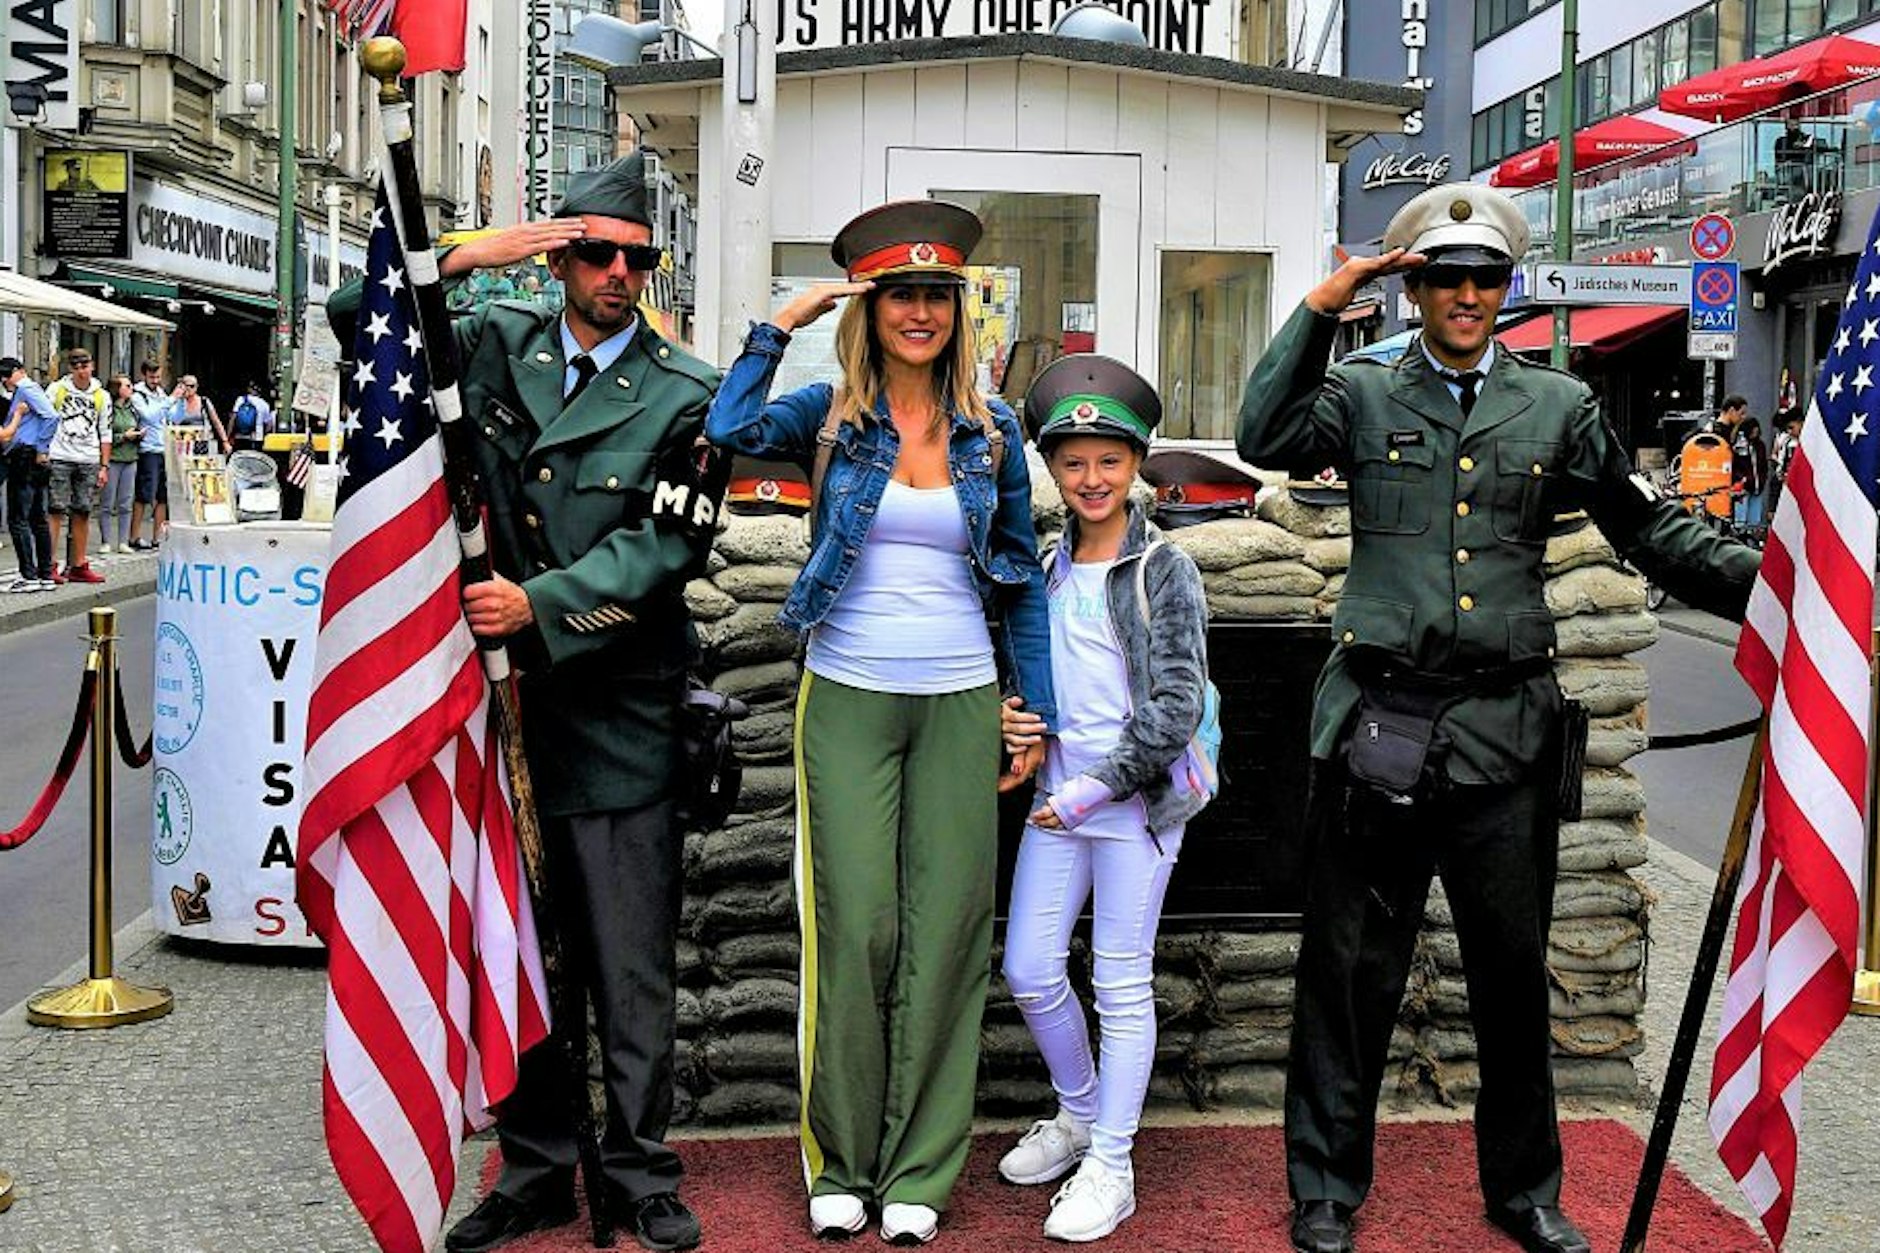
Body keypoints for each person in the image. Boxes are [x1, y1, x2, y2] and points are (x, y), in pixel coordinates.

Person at [1236, 182, 1762, 1253]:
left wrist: (1784, 589)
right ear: (1415, 288)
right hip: (1378, 724)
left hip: (1503, 730)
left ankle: (1523, 1189)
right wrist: (1324, 301)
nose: (1465, 294)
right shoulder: (1362, 391)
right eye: (1443, 277)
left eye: (1482, 277)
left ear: (1504, 288)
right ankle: (1326, 1186)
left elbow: (1648, 532)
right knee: (1348, 973)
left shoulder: (1555, 406)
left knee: (1510, 975)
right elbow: (1266, 433)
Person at [329, 151, 723, 1253]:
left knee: (625, 959)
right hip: (494, 718)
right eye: (592, 251)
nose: (614, 272)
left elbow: (670, 542)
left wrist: (538, 603)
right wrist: (462, 258)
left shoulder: (684, 390)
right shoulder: (491, 340)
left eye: (634, 258)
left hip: (613, 706)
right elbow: (355, 308)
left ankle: (639, 1168)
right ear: (558, 256)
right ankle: (539, 1162)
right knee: (518, 948)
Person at [704, 200, 1055, 1246]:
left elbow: (1020, 582)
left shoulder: (993, 430)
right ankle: (840, 1158)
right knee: (854, 925)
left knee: (946, 935)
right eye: (897, 294)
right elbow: (721, 430)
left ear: (958, 310)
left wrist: (1026, 712)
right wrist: (785, 319)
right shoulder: (826, 411)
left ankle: (918, 1164)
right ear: (868, 308)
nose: (917, 312)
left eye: (934, 296)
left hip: (958, 699)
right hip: (847, 694)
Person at [995, 355, 1210, 1243]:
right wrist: (1016, 720)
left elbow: (1174, 706)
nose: (1091, 479)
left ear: (1138, 463)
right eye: (1074, 462)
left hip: (1132, 806)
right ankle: (1080, 1109)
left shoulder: (1165, 568)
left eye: (1109, 461)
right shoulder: (1045, 566)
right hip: (1057, 799)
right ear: (1052, 468)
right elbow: (1038, 678)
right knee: (1029, 968)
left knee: (1120, 979)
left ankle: (1112, 1164)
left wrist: (1088, 789)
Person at [44, 348, 111, 585]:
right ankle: (48, 563)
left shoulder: (102, 395)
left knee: (82, 511)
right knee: (55, 510)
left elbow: (105, 432)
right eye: (77, 367)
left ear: (92, 365)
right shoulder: (57, 390)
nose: (82, 371)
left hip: (88, 458)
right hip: (61, 455)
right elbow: (46, 419)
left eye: (85, 366)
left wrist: (104, 465)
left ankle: (78, 564)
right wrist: (44, 450)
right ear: (71, 369)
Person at [0, 357, 58, 591]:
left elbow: (52, 416)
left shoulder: (26, 389)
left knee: (18, 518)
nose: (3, 380)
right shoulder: (26, 390)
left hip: (25, 456)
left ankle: (30, 576)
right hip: (30, 455)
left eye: (6, 374)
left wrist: (42, 447)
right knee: (37, 518)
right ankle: (45, 574)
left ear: (19, 371)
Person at [129, 360, 171, 549]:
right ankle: (134, 536)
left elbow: (168, 417)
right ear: (144, 375)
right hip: (148, 450)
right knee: (143, 495)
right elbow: (149, 416)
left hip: (164, 448)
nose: (156, 381)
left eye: (158, 377)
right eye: (152, 377)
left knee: (162, 496)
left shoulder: (161, 393)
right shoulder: (138, 395)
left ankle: (157, 537)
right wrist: (170, 401)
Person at [102, 373, 141, 554]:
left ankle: (123, 541)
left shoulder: (132, 409)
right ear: (117, 389)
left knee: (126, 502)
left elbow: (137, 426)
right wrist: (123, 436)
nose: (131, 388)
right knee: (107, 502)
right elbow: (104, 435)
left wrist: (139, 435)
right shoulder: (109, 409)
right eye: (127, 385)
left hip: (130, 458)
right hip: (113, 458)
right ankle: (106, 541)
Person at [1731, 415, 1769, 531]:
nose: (1755, 434)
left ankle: (1751, 538)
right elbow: (1735, 465)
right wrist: (1742, 479)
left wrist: (1762, 479)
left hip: (1757, 486)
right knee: (1740, 519)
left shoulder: (1760, 445)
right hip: (1743, 486)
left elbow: (1763, 464)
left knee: (1754, 521)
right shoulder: (1739, 445)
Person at [227, 381, 274, 451]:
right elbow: (269, 426)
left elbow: (232, 419)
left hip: (240, 437)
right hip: (257, 438)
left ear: (249, 389)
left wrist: (227, 436)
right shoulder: (265, 404)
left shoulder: (241, 400)